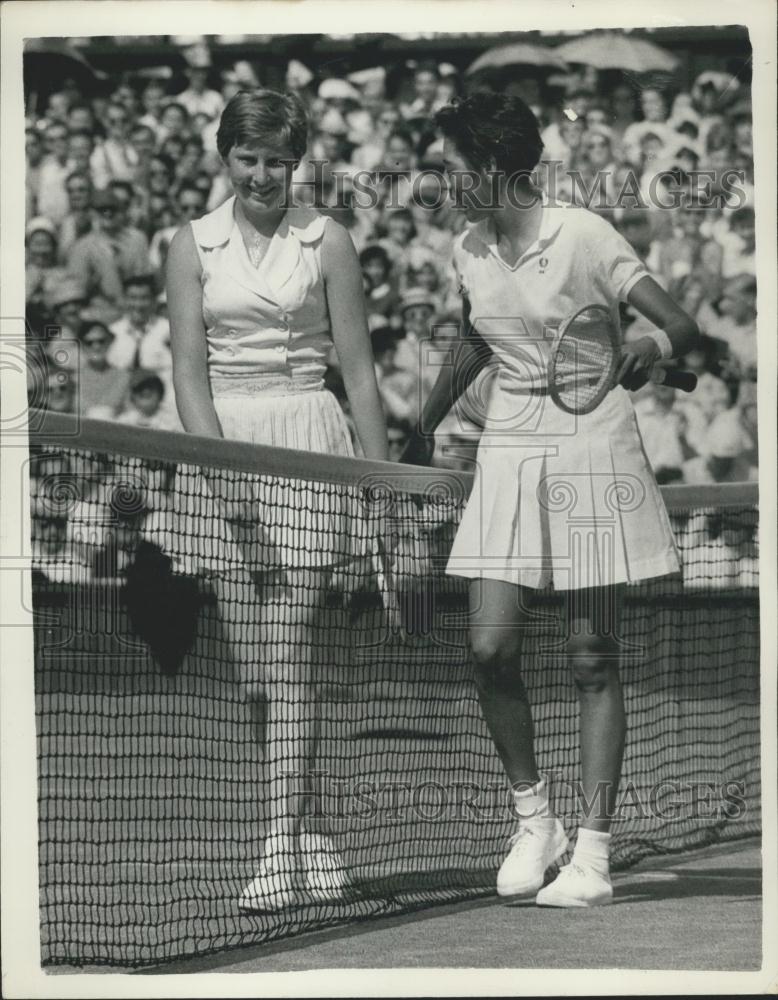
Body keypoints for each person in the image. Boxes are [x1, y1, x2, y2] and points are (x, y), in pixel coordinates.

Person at [402, 92, 699, 907]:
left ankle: (594, 854)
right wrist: (424, 420)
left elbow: (682, 326)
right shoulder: (468, 246)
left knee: (591, 656)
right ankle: (537, 822)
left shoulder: (585, 234)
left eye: (453, 170)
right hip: (508, 444)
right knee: (490, 648)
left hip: (591, 442)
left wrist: (652, 343)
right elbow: (474, 333)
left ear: (494, 169)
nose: (442, 184)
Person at [165, 88, 389, 912]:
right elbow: (190, 375)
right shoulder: (190, 246)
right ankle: (315, 828)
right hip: (221, 446)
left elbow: (360, 373)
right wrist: (222, 480)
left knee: (290, 644)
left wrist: (383, 487)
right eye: (248, 157)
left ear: (297, 163)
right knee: (260, 670)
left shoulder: (328, 241)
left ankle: (274, 849)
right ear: (226, 157)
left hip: (309, 440)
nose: (262, 174)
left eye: (278, 160)